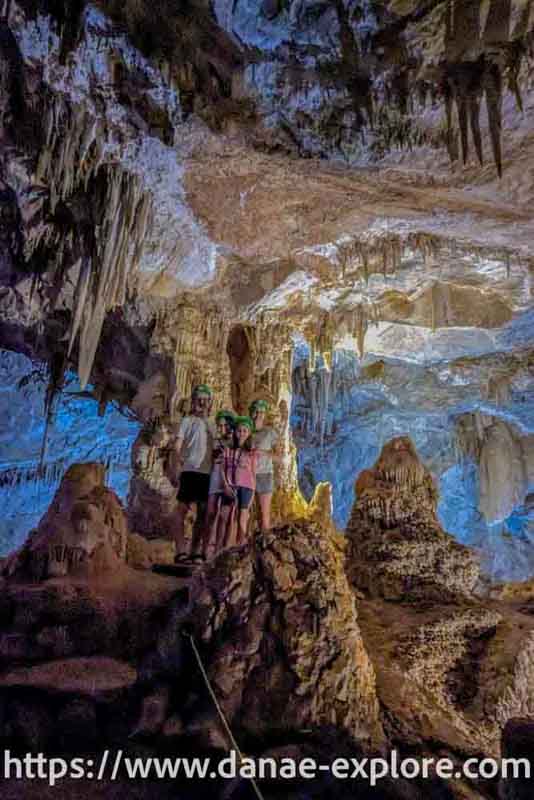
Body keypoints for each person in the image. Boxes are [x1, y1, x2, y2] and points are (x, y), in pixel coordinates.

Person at [172, 384, 216, 563]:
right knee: (181, 510)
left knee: (203, 513)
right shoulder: (187, 421)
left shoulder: (212, 424)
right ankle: (180, 549)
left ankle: (195, 551)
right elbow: (177, 445)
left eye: (205, 400)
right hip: (189, 470)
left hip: (206, 473)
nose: (202, 403)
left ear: (209, 402)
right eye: (199, 399)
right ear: (194, 401)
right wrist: (176, 465)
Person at [221, 416, 258, 547]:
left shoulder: (252, 452)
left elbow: (253, 472)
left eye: (244, 431)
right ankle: (224, 546)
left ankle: (239, 546)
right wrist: (225, 484)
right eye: (239, 430)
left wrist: (253, 491)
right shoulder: (228, 449)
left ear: (249, 434)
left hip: (247, 487)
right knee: (226, 516)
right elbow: (223, 468)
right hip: (231, 485)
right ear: (235, 432)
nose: (241, 433)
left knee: (243, 516)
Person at [206, 409, 236, 556]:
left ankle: (221, 550)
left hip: (229, 479)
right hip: (214, 477)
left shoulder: (234, 442)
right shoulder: (216, 441)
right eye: (219, 425)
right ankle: (207, 548)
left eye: (224, 425)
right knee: (211, 513)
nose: (221, 428)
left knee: (225, 516)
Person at [250, 399, 279, 532]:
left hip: (264, 474)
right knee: (246, 511)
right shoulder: (246, 430)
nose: (259, 414)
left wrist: (262, 452)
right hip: (247, 474)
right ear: (252, 412)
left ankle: (264, 540)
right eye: (257, 411)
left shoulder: (270, 432)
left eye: (262, 412)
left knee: (264, 512)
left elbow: (279, 456)